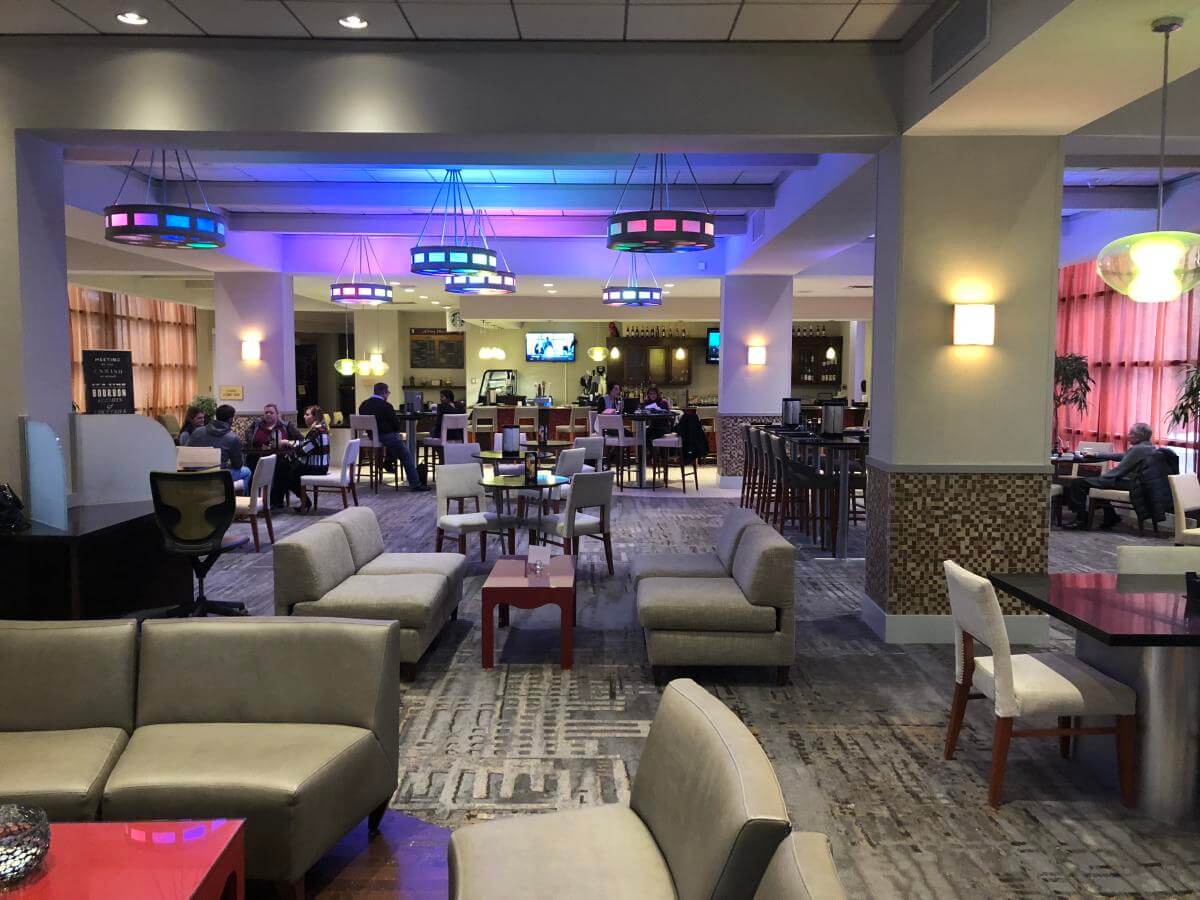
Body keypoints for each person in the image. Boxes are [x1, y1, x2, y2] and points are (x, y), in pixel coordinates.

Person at [1065, 422, 1158, 529]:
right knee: (1096, 485)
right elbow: (1123, 456)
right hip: (1140, 483)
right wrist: (1097, 455)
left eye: (1131, 434)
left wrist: (1101, 479)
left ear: (1138, 436)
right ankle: (1111, 517)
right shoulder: (1149, 447)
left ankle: (1080, 520)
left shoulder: (1137, 449)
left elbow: (1120, 471)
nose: (1128, 436)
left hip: (1132, 483)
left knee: (1078, 483)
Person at [358, 382, 427, 491]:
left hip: (371, 436)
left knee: (395, 440)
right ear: (384, 393)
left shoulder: (363, 405)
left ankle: (388, 462)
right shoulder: (386, 406)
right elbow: (396, 425)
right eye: (388, 393)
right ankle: (415, 484)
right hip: (385, 436)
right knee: (405, 455)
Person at [186, 404, 251, 489]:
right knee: (247, 471)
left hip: (194, 475)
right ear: (231, 420)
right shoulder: (232, 438)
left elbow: (186, 451)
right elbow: (237, 465)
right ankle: (230, 493)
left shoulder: (197, 431)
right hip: (217, 477)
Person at [289, 405, 330, 513]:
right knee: (292, 469)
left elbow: (304, 451)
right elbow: (307, 444)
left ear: (315, 417)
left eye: (307, 414)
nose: (304, 416)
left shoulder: (315, 431)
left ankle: (306, 502)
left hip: (317, 468)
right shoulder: (322, 428)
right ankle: (304, 501)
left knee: (289, 475)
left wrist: (291, 446)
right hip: (323, 466)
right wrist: (294, 444)